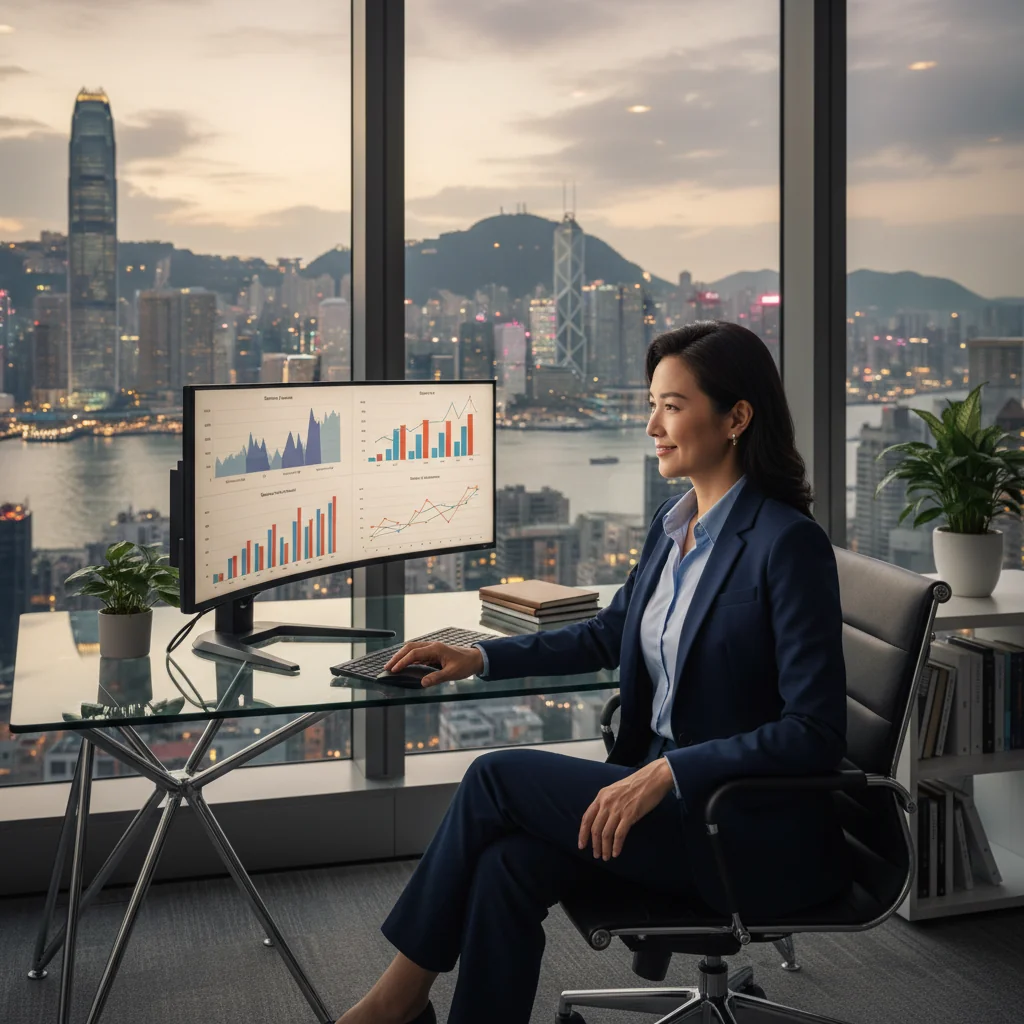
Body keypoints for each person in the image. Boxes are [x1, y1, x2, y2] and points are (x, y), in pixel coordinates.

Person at [336, 320, 852, 1024]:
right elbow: (611, 634)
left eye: (672, 406)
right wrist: (480, 656)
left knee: (494, 775)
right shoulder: (676, 523)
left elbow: (814, 732)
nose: (651, 426)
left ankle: (396, 1000)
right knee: (505, 866)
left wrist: (671, 771)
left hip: (734, 825)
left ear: (736, 417)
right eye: (652, 404)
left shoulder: (786, 545)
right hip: (655, 798)